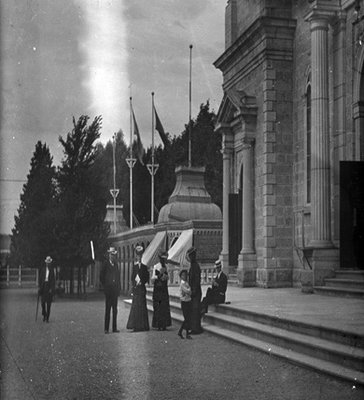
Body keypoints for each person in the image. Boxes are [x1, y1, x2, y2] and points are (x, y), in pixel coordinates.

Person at [126, 245, 150, 332]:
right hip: (136, 289)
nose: (139, 257)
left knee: (142, 306)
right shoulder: (134, 266)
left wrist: (142, 281)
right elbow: (132, 277)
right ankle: (135, 325)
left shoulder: (144, 266)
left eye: (140, 255)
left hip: (142, 289)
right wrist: (135, 283)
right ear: (136, 256)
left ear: (142, 256)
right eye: (138, 255)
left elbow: (147, 277)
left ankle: (143, 325)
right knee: (136, 307)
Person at [100, 247, 121, 334]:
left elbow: (118, 277)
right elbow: (101, 276)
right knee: (108, 309)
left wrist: (118, 288)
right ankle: (106, 328)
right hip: (108, 290)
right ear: (109, 255)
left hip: (115, 291)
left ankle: (114, 328)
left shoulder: (116, 264)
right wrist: (105, 285)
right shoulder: (105, 264)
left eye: (114, 255)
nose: (113, 256)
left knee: (115, 310)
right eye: (111, 255)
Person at [151, 251, 172, 331]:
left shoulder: (167, 266)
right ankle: (158, 325)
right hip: (158, 289)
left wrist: (166, 277)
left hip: (164, 289)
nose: (163, 261)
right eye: (162, 259)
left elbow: (168, 278)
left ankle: (164, 324)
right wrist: (159, 275)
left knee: (164, 307)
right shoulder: (156, 266)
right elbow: (153, 278)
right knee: (158, 307)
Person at [187, 246, 203, 334]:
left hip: (195, 292)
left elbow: (197, 280)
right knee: (194, 310)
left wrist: (193, 291)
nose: (190, 258)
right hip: (193, 291)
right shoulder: (193, 265)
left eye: (191, 256)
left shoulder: (195, 266)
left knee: (195, 310)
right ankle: (194, 327)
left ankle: (196, 328)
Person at [38, 256, 56, 323]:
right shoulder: (43, 270)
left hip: (49, 287)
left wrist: (52, 288)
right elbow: (40, 279)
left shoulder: (52, 270)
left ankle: (47, 318)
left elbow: (53, 280)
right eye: (47, 263)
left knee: (48, 304)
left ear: (50, 263)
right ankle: (44, 314)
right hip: (43, 286)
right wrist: (40, 287)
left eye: (49, 263)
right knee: (42, 303)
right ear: (46, 263)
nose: (48, 264)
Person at [178, 269, 192, 340]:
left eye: (186, 275)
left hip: (188, 301)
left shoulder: (186, 283)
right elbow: (188, 291)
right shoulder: (182, 284)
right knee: (186, 318)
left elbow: (189, 291)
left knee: (187, 318)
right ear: (181, 276)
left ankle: (184, 333)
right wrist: (188, 291)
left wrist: (188, 291)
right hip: (184, 302)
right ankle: (183, 332)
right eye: (183, 275)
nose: (185, 276)